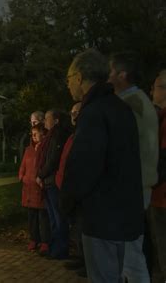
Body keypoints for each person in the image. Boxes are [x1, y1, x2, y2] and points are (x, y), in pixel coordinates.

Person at [60, 49, 144, 283]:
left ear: (78, 78)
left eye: (68, 80)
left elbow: (84, 166)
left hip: (101, 218)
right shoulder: (121, 108)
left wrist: (66, 202)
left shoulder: (93, 113)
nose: (68, 86)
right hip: (124, 215)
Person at [108, 51, 158, 283]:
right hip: (136, 185)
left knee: (130, 254)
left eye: (110, 72)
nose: (106, 77)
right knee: (129, 252)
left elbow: (124, 148)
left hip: (131, 187)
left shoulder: (131, 103)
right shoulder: (134, 101)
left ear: (122, 74)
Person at [56, 102, 87, 277]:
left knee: (82, 226)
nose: (74, 115)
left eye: (77, 112)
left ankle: (86, 261)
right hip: (67, 187)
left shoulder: (84, 134)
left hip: (77, 190)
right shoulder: (72, 135)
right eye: (72, 112)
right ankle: (80, 256)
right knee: (76, 226)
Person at [36, 109, 70, 259]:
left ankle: (60, 250)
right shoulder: (50, 137)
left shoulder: (57, 136)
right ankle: (55, 248)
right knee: (53, 218)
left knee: (58, 218)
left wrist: (41, 174)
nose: (45, 121)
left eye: (48, 118)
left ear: (56, 120)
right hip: (48, 181)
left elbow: (53, 160)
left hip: (52, 182)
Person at [19, 124, 50, 255]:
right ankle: (34, 239)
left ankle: (45, 241)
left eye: (36, 133)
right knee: (32, 217)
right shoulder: (28, 150)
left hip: (40, 188)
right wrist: (21, 176)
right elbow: (23, 165)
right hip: (29, 189)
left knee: (43, 217)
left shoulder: (45, 149)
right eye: (32, 134)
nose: (34, 136)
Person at [150, 70, 166, 283]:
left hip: (162, 197)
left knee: (162, 247)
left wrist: (149, 181)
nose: (151, 92)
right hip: (158, 196)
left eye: (155, 87)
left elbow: (162, 160)